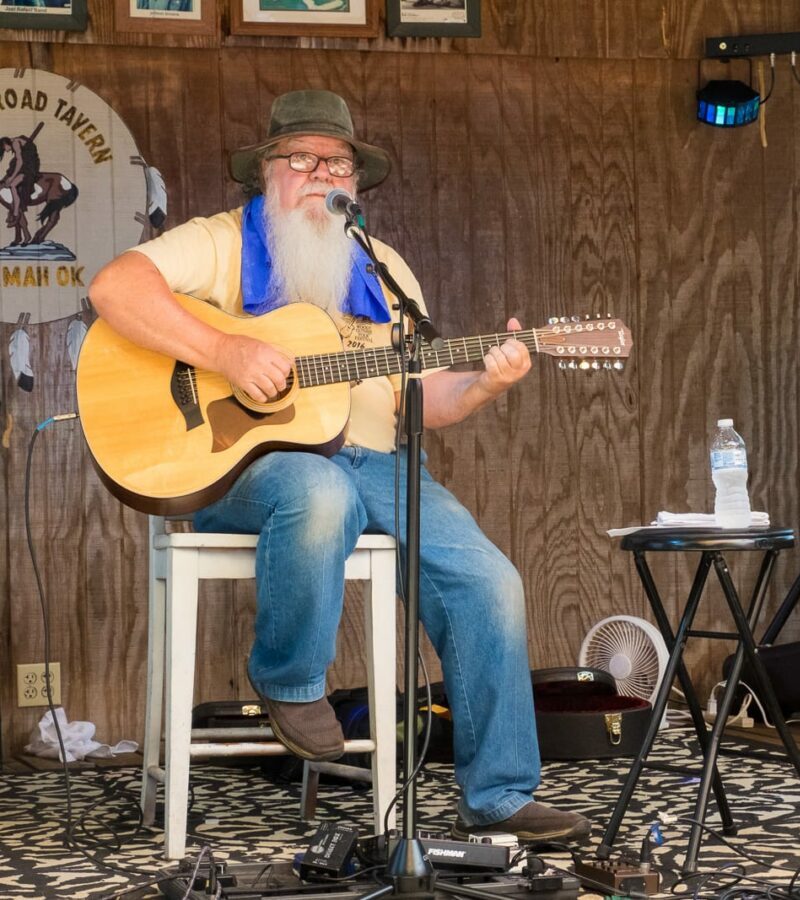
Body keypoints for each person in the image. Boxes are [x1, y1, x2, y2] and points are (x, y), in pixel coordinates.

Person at [88, 90, 590, 844]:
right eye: (303, 159)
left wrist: (486, 381)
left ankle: (500, 794)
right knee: (320, 492)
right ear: (268, 172)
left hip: (380, 464)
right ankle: (288, 681)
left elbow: (424, 400)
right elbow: (113, 288)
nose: (322, 173)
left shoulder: (383, 271)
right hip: (247, 471)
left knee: (491, 580)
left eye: (339, 163)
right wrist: (226, 352)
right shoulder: (220, 242)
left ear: (355, 183)